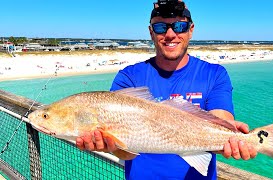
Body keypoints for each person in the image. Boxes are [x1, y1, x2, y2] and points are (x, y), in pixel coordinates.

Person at [76, 0, 257, 179]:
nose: (170, 34)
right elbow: (126, 153)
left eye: (179, 26)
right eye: (161, 27)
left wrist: (235, 140)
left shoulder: (214, 74)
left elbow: (221, 120)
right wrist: (111, 145)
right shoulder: (129, 77)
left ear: (191, 30)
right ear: (151, 32)